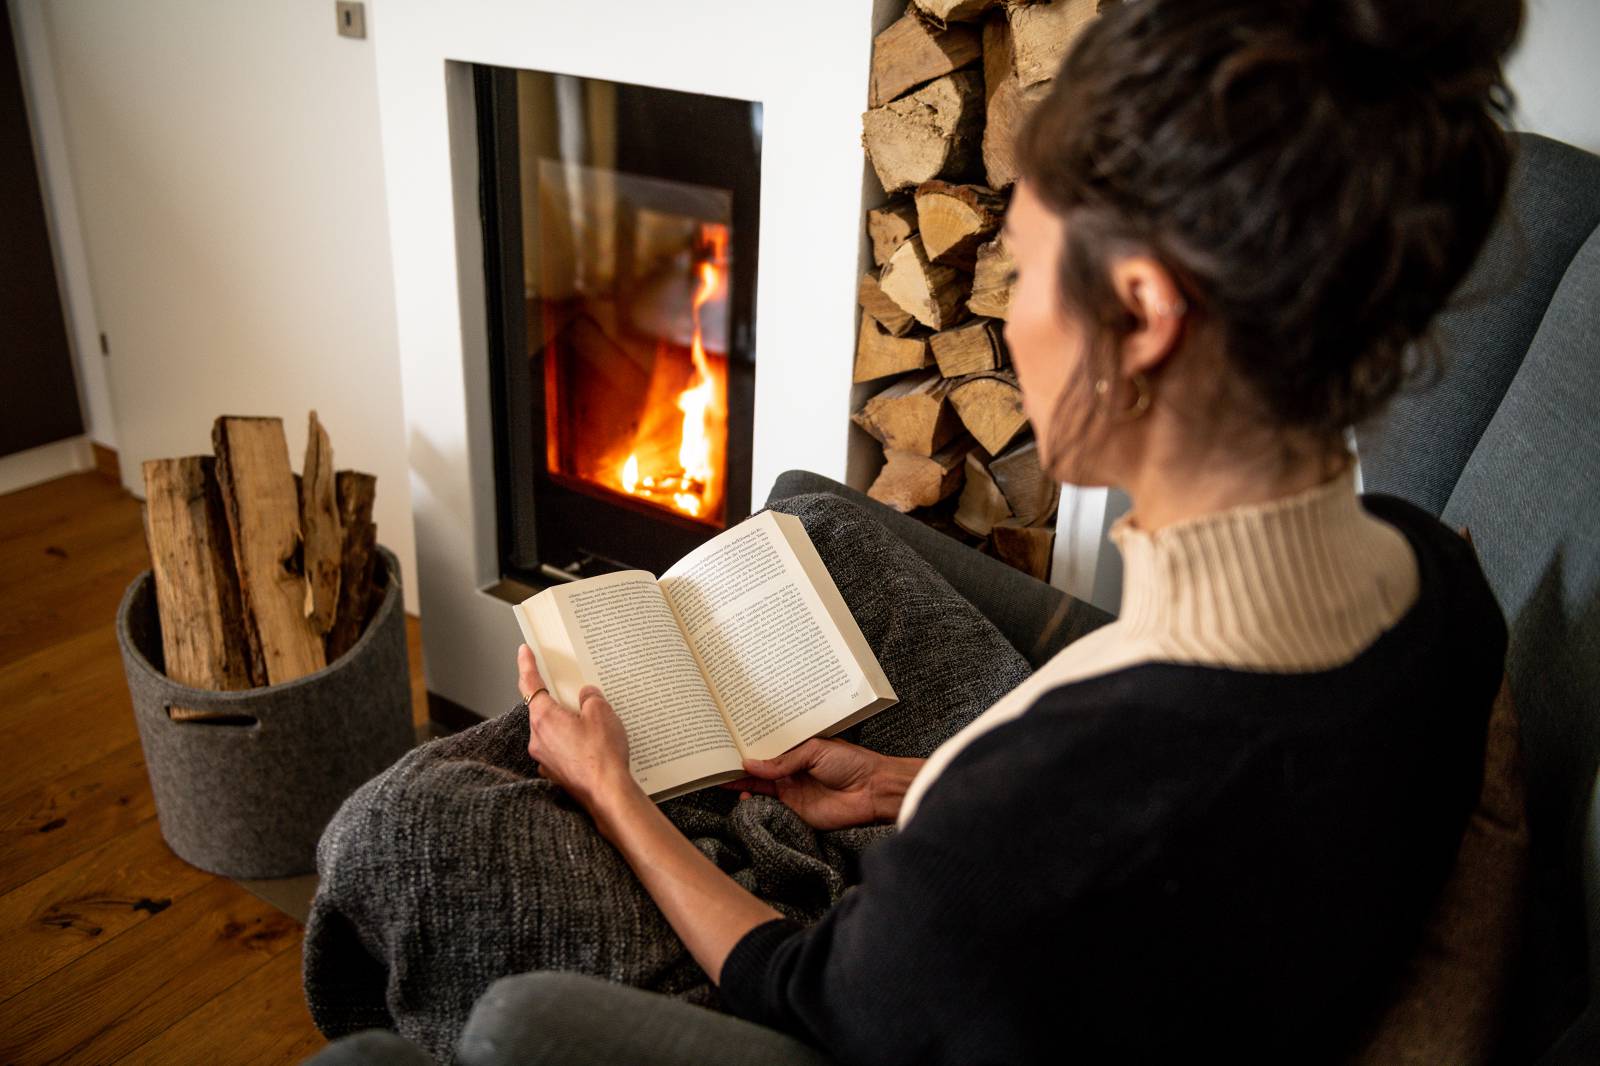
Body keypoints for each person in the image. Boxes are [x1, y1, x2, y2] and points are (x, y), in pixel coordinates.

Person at [307, 1, 1522, 1062]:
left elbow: (806, 989)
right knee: (814, 506)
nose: (1006, 321)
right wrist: (905, 780)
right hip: (1049, 885)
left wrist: (616, 794)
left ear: (1141, 316)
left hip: (898, 961)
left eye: (1026, 267)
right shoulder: (1434, 583)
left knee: (405, 822)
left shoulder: (1036, 824)